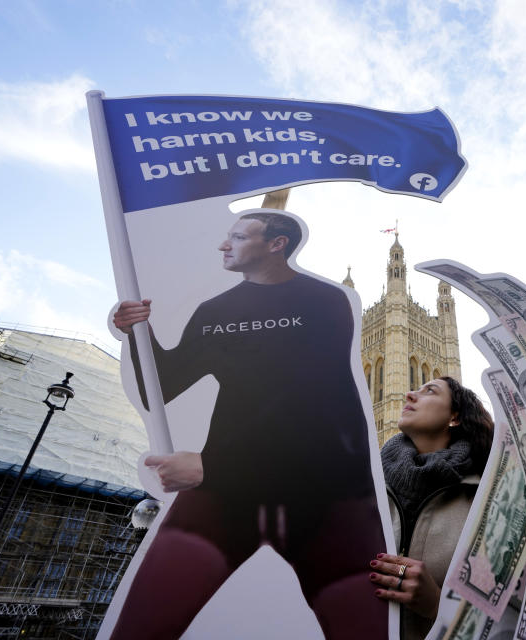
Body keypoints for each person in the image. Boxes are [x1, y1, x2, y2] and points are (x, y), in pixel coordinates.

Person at [109, 211, 387, 640]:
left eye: (237, 236)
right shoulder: (216, 310)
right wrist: (136, 335)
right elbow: (159, 392)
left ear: (276, 244)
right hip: (225, 496)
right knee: (138, 628)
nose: (224, 245)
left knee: (364, 628)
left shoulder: (325, 301)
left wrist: (214, 467)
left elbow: (311, 402)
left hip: (326, 500)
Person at [368, 377, 494, 640]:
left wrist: (439, 606)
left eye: (430, 391)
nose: (410, 395)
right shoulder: (366, 484)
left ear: (454, 417)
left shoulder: (485, 497)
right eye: (415, 389)